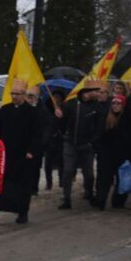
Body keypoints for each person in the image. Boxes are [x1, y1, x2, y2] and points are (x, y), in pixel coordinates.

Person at [0, 79, 41, 223]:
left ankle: (22, 212)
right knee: (3, 184)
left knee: (22, 185)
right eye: (12, 93)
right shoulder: (5, 109)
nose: (14, 96)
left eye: (17, 94)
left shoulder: (32, 112)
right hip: (6, 153)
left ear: (23, 95)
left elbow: (36, 133)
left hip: (23, 155)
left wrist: (31, 150)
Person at [57, 80, 104, 209]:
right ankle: (66, 198)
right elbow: (61, 123)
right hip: (70, 143)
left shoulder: (97, 107)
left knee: (88, 173)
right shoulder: (71, 104)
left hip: (87, 145)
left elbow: (100, 128)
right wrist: (60, 120)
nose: (99, 94)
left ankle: (89, 193)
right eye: (96, 91)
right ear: (88, 92)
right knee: (68, 172)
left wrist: (91, 143)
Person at [93, 93, 131, 210]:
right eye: (114, 103)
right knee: (103, 179)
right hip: (106, 154)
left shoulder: (128, 119)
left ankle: (118, 202)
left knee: (121, 178)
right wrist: (99, 149)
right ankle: (100, 201)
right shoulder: (105, 117)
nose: (115, 106)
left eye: (118, 103)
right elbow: (99, 134)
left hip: (122, 155)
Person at [42, 87, 66, 190]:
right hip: (49, 139)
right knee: (48, 163)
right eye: (54, 97)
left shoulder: (64, 109)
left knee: (61, 161)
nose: (56, 99)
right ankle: (49, 183)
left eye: (58, 97)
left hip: (60, 139)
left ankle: (61, 181)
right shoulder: (46, 108)